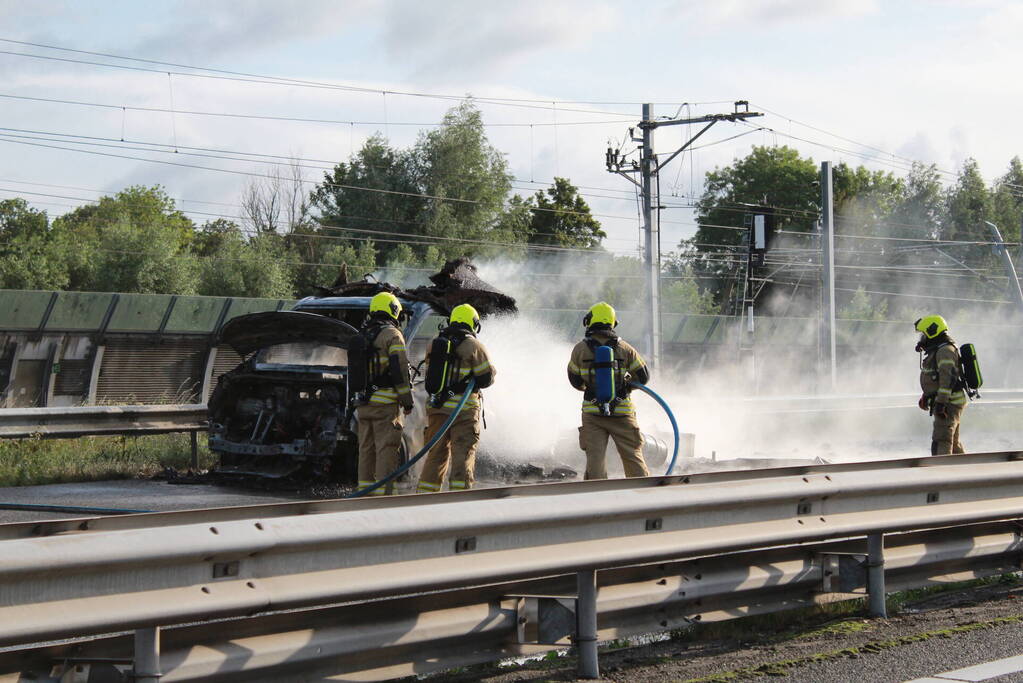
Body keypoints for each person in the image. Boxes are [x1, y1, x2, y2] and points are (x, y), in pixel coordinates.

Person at [416, 304, 495, 492]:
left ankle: (424, 498)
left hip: (437, 409)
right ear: (473, 323)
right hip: (464, 412)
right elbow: (486, 378)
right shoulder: (473, 345)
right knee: (462, 456)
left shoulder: (435, 342)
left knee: (435, 455)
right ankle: (460, 500)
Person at [567, 302, 651, 479]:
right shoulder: (625, 348)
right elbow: (643, 377)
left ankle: (597, 498)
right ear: (612, 323)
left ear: (590, 321)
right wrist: (626, 385)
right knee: (632, 455)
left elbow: (575, 381)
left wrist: (591, 388)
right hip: (622, 412)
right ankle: (644, 495)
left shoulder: (579, 349)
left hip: (592, 413)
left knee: (595, 460)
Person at [355, 292, 413, 494]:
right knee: (386, 449)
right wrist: (407, 401)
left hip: (363, 405)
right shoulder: (392, 335)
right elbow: (400, 372)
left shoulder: (362, 334)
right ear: (393, 310)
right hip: (386, 405)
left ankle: (365, 492)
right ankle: (384, 496)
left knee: (366, 450)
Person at [915, 314, 966, 455]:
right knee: (953, 443)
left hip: (950, 403)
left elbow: (947, 380)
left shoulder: (945, 351)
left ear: (933, 331)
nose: (922, 338)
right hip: (947, 401)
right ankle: (967, 471)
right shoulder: (938, 349)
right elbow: (934, 377)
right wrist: (927, 395)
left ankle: (941, 473)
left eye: (924, 334)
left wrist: (941, 404)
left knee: (942, 440)